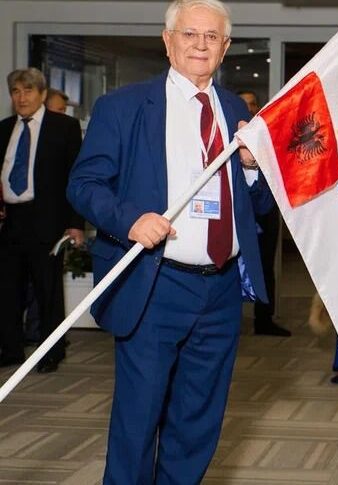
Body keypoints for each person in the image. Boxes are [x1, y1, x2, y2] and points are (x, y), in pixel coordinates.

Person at [67, 1, 273, 482]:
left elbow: (259, 206)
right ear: (168, 40)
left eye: (212, 37)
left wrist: (251, 168)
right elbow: (83, 184)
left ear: (225, 47)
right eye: (189, 34)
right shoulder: (122, 107)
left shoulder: (235, 110)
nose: (200, 45)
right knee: (138, 420)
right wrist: (130, 220)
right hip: (154, 285)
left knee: (197, 422)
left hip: (221, 291)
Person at [0, 68, 83, 373]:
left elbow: (77, 177)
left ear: (42, 94)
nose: (21, 97)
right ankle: (11, 350)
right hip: (10, 221)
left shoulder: (64, 127)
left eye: (28, 91)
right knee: (7, 290)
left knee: (48, 292)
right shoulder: (4, 129)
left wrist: (75, 223)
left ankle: (51, 353)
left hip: (47, 221)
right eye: (16, 91)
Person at [238, 89, 291, 336]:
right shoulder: (229, 135)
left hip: (265, 209)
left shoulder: (267, 134)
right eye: (243, 104)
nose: (248, 108)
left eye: (252, 103)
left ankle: (264, 319)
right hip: (238, 211)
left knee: (265, 266)